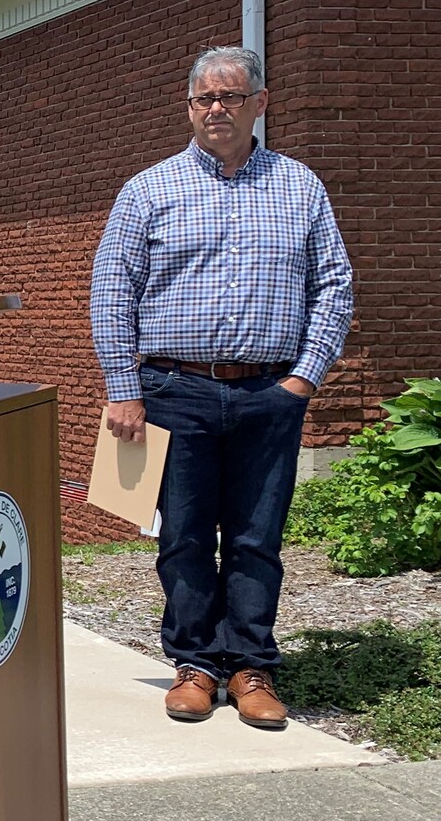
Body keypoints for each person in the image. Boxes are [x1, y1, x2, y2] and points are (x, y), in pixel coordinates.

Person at [91, 46, 352, 729]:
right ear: (189, 106)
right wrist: (124, 388)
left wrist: (304, 378)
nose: (214, 109)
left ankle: (250, 665)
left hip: (270, 393)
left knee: (256, 537)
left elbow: (334, 285)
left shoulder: (300, 187)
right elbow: (112, 291)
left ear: (259, 103)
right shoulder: (149, 189)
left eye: (229, 96)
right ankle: (196, 665)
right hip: (175, 390)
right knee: (181, 537)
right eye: (202, 98)